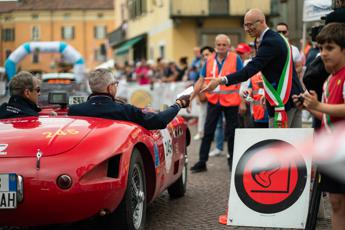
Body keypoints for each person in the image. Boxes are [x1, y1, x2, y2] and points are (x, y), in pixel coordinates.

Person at [201, 9, 303, 128]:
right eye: (245, 25)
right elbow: (280, 70)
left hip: (283, 102)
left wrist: (220, 80)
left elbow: (248, 71)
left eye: (249, 25)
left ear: (261, 22)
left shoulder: (269, 42)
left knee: (278, 144)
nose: (246, 29)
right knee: (294, 143)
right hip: (293, 97)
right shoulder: (277, 38)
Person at [293, 23, 345, 230]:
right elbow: (326, 116)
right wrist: (309, 106)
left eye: (330, 48)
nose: (323, 53)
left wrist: (318, 105)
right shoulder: (328, 80)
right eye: (321, 48)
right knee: (335, 203)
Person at [190, 34, 245, 172]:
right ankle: (202, 162)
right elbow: (201, 80)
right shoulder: (209, 60)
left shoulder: (235, 58)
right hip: (214, 101)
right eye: (219, 45)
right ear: (215, 46)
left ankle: (232, 161)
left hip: (231, 101)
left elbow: (242, 79)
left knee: (232, 133)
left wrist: (242, 101)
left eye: (224, 45)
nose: (221, 47)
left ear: (228, 46)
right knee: (208, 131)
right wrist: (191, 97)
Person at [68, 68, 190, 130]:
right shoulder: (124, 110)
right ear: (110, 88)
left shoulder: (74, 110)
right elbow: (158, 121)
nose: (116, 87)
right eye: (115, 84)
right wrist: (178, 104)